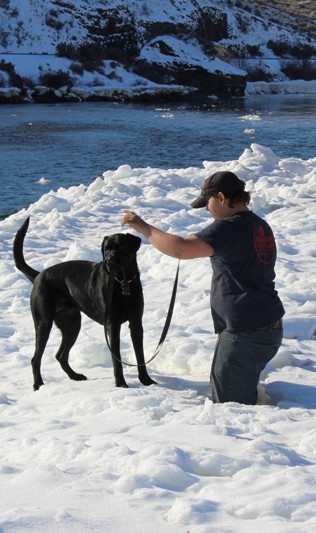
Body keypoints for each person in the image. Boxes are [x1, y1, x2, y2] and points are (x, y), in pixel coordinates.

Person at [120, 170, 285, 405]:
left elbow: (181, 248)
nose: (206, 209)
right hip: (266, 325)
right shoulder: (259, 225)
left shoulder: (228, 228)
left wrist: (142, 226)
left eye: (207, 203)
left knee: (231, 409)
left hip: (245, 333)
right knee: (238, 392)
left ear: (221, 197)